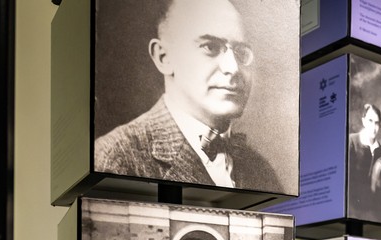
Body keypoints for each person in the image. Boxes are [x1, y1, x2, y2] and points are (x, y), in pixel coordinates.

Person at [94, 0, 280, 192]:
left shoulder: (260, 170)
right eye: (210, 47)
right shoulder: (114, 159)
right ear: (164, 57)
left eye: (241, 52)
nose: (233, 68)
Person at [349, 103, 381, 207]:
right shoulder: (352, 141)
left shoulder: (380, 151)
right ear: (364, 121)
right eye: (370, 121)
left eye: (376, 123)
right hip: (351, 204)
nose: (373, 127)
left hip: (371, 206)